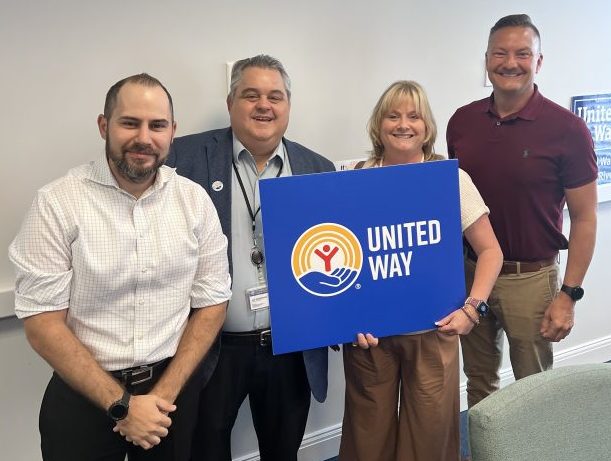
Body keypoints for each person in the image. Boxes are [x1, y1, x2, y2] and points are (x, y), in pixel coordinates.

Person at [9, 73, 232, 461]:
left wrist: (162, 396)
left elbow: (212, 302)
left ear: (172, 131)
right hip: (84, 396)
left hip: (170, 396)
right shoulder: (57, 203)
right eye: (130, 123)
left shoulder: (194, 202)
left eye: (157, 125)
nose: (144, 138)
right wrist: (122, 406)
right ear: (104, 126)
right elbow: (43, 323)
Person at [167, 55, 335, 461]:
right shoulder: (182, 159)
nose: (264, 105)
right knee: (205, 450)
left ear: (288, 105)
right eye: (251, 95)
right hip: (213, 348)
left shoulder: (318, 168)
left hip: (290, 348)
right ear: (230, 103)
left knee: (283, 450)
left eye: (275, 96)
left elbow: (337, 249)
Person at [339, 80, 503, 461]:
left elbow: (491, 251)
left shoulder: (449, 179)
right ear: (378, 124)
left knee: (431, 439)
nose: (403, 124)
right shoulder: (354, 177)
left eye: (413, 116)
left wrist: (472, 310)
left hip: (434, 330)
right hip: (371, 337)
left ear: (427, 127)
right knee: (367, 440)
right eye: (393, 116)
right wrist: (343, 318)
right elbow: (345, 253)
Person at [447, 14, 598, 407]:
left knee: (534, 394)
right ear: (486, 59)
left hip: (529, 279)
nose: (510, 62)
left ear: (539, 61)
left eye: (522, 53)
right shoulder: (461, 122)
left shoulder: (568, 130)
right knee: (479, 384)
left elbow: (585, 218)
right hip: (471, 273)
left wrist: (569, 295)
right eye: (500, 53)